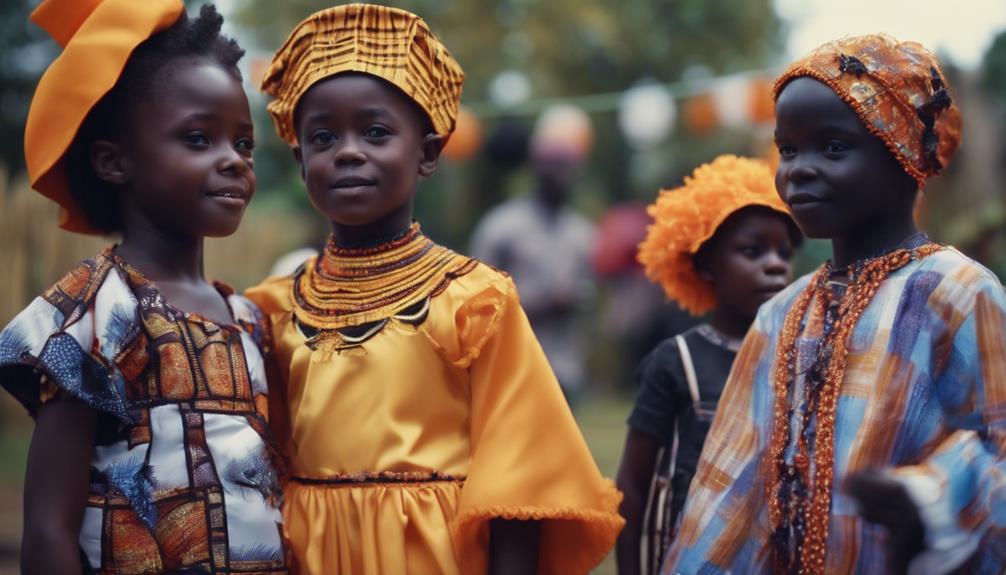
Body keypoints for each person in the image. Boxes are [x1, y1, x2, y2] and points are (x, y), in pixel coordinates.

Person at [246, 5, 623, 575]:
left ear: (427, 153)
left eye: (375, 132)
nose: (348, 150)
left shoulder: (472, 300)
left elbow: (519, 486)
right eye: (323, 137)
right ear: (300, 159)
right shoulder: (271, 308)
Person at [664, 34, 1006, 574]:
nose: (797, 169)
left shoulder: (958, 293)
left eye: (833, 147)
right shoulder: (781, 313)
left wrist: (930, 499)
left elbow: (999, 446)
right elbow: (730, 479)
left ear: (903, 154)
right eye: (788, 149)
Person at [0, 1, 287, 573]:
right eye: (199, 139)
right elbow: (49, 531)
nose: (233, 160)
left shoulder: (250, 318)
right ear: (114, 162)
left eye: (243, 143)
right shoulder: (100, 308)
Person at [615, 155, 801, 575]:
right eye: (752, 251)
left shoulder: (799, 358)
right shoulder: (676, 361)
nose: (775, 264)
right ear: (704, 265)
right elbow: (633, 483)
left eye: (784, 253)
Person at [470, 104, 597, 405]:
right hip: (510, 368)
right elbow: (475, 301)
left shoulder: (584, 233)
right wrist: (543, 303)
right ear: (536, 167)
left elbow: (589, 298)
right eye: (553, 164)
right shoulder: (501, 227)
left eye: (569, 165)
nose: (562, 174)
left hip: (565, 370)